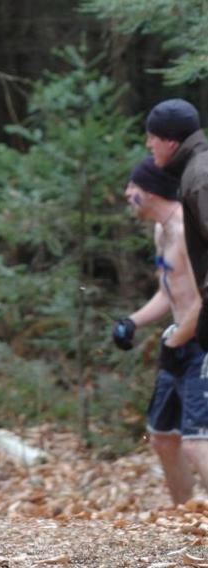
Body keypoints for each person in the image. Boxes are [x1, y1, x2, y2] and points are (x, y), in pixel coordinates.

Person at [113, 157, 208, 503]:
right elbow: (170, 291)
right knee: (163, 438)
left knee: (198, 443)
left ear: (151, 191)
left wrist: (178, 338)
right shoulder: (161, 231)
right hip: (178, 342)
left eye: (133, 187)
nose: (127, 194)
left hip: (200, 343)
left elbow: (203, 299)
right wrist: (132, 322)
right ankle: (188, 516)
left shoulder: (186, 231)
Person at [143, 99, 208, 349]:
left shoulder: (200, 176)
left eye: (152, 138)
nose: (149, 144)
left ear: (170, 141)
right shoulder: (196, 170)